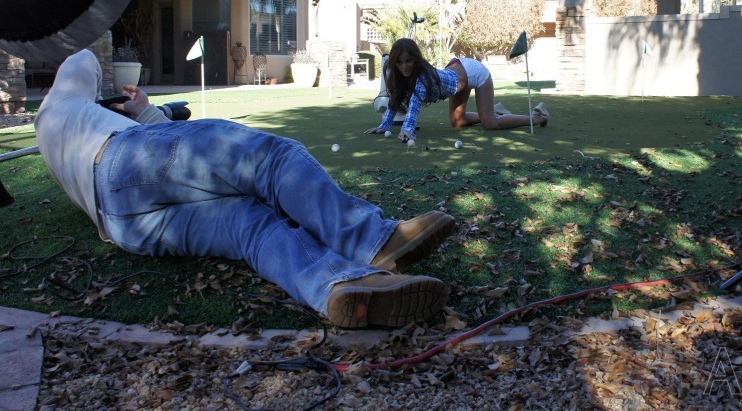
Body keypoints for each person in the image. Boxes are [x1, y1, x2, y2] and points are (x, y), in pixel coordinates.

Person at [34, 49, 457, 329]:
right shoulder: (60, 102)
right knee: (269, 158)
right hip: (125, 155)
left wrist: (143, 112)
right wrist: (110, 102)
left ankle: (341, 287)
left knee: (249, 226)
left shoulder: (57, 144)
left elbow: (152, 176)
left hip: (121, 224)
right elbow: (83, 60)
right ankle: (373, 240)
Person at [365, 38, 549, 142]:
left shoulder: (421, 77)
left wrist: (408, 130)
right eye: (399, 62)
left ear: (416, 60)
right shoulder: (400, 76)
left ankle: (538, 116)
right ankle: (495, 110)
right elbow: (395, 99)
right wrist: (384, 125)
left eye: (408, 61)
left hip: (474, 73)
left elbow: (414, 105)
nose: (404, 66)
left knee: (490, 123)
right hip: (456, 72)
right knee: (457, 122)